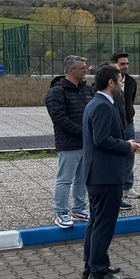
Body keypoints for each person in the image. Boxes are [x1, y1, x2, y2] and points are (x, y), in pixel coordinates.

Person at [81, 64, 139, 279]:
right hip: (105, 175)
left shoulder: (98, 103)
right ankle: (98, 272)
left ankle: (92, 264)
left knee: (96, 222)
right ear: (111, 83)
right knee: (103, 224)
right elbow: (102, 139)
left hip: (98, 174)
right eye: (120, 81)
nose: (123, 84)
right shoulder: (102, 106)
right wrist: (127, 146)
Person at [45, 55, 93, 229]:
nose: (86, 70)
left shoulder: (86, 90)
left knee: (82, 178)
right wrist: (83, 132)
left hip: (86, 143)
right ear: (71, 70)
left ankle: (79, 209)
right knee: (65, 180)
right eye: (82, 67)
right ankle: (61, 213)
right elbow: (59, 119)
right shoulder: (56, 92)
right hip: (68, 143)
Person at [111, 53, 140, 200]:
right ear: (115, 65)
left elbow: (130, 101)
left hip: (128, 123)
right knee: (114, 154)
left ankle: (127, 187)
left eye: (127, 63)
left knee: (130, 154)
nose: (126, 66)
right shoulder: (108, 82)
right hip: (114, 124)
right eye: (122, 64)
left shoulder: (131, 82)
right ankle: (114, 187)